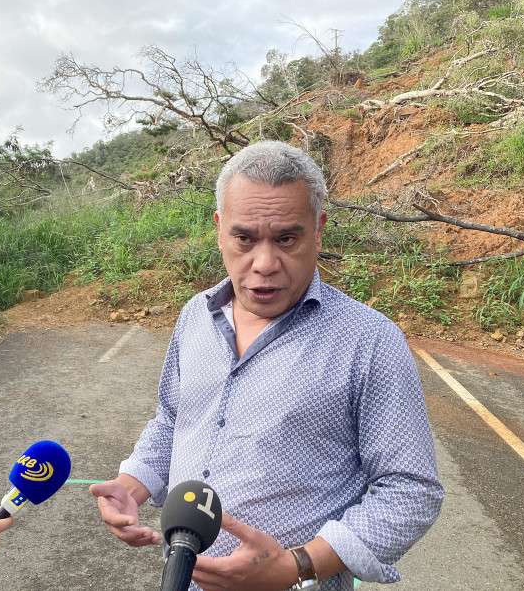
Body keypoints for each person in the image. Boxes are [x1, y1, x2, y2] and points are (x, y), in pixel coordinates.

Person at [90, 141, 444, 591]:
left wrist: (297, 565)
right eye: (244, 239)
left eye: (286, 239)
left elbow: (411, 491)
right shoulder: (195, 316)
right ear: (219, 229)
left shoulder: (369, 341)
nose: (264, 264)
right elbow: (174, 421)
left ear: (319, 230)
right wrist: (132, 483)